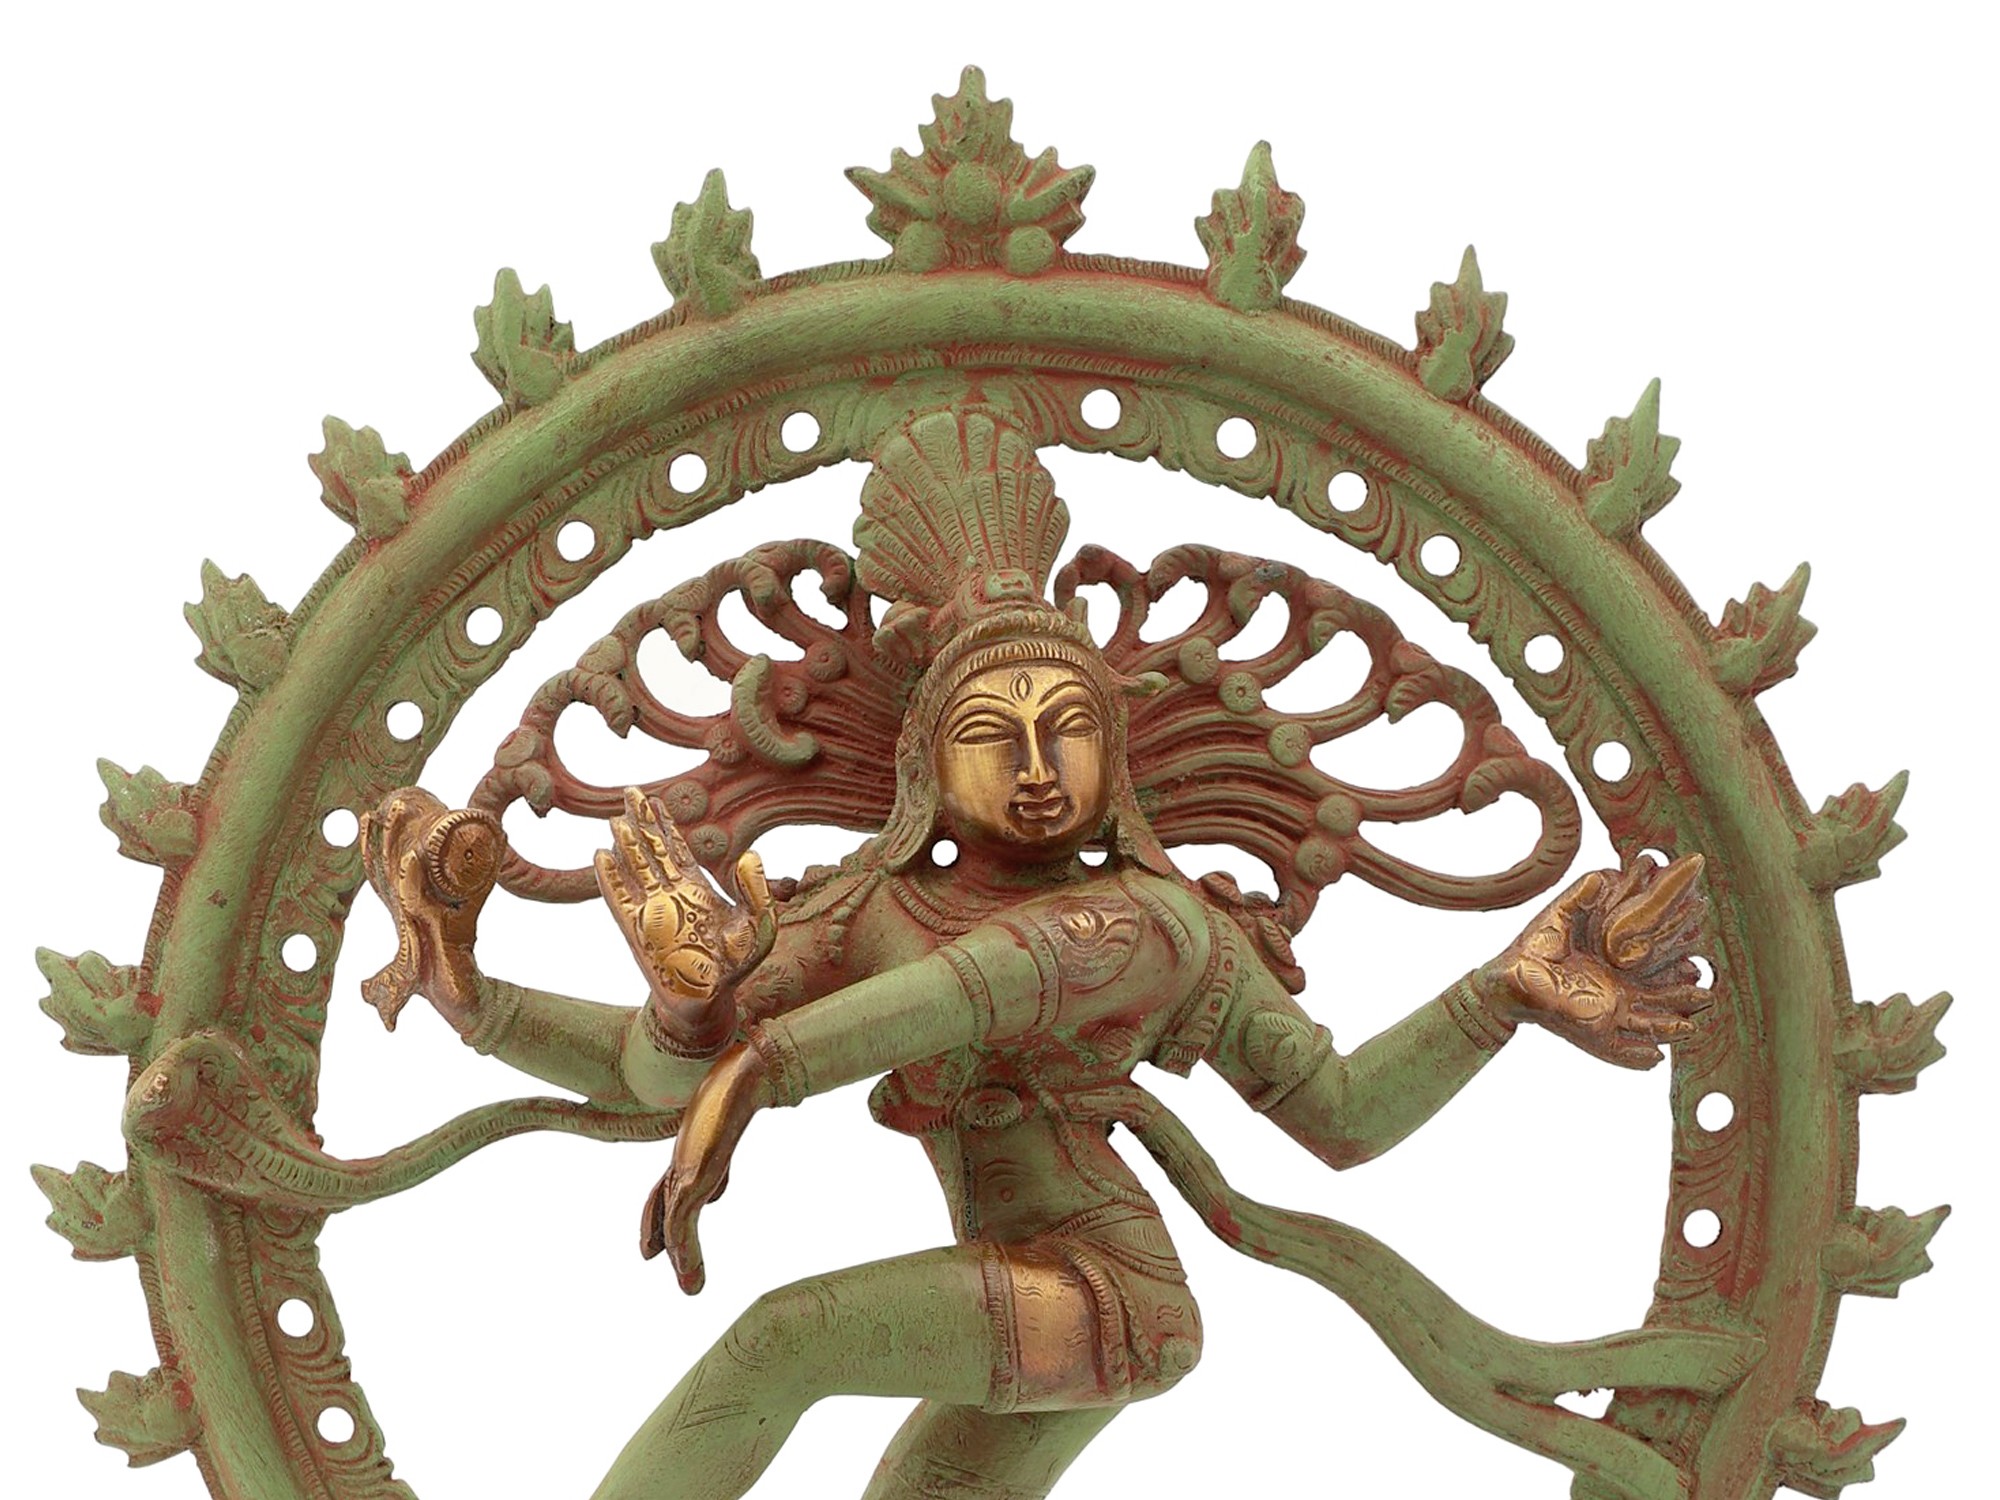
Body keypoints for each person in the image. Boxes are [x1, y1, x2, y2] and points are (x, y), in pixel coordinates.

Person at [361, 409, 1708, 1500]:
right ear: (924, 766)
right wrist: (594, 1007)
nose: (1036, 763)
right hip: (1037, 1287)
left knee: (780, 1343)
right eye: (989, 735)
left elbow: (1335, 1114)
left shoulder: (1150, 926)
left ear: (1117, 754)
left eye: (1069, 727)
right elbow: (648, 1078)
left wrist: (1499, 993)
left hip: (1109, 1286)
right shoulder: (869, 910)